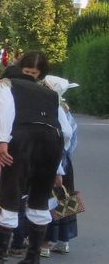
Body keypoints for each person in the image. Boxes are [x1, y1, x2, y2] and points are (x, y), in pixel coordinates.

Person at [0, 51, 67, 264]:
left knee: (10, 194)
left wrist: (2, 141)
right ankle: (33, 260)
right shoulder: (51, 94)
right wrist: (58, 167)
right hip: (52, 144)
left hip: (22, 141)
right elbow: (65, 131)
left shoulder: (6, 84)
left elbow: (2, 113)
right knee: (40, 199)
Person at [43, 76, 80, 254]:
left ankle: (46, 242)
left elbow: (66, 133)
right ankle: (64, 239)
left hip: (53, 157)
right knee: (64, 195)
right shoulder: (65, 108)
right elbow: (74, 138)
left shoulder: (53, 108)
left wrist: (58, 152)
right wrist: (66, 153)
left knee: (49, 197)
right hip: (65, 159)